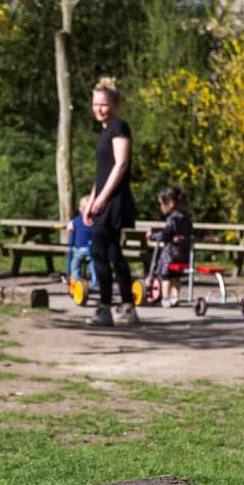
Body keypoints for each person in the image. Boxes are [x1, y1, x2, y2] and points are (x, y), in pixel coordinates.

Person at [84, 77, 139, 327]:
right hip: (104, 199)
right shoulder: (105, 131)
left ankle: (105, 307)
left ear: (114, 104)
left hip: (115, 201)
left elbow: (120, 164)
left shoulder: (119, 127)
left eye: (104, 104)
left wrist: (103, 198)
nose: (99, 109)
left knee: (99, 250)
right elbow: (102, 171)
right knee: (112, 252)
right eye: (96, 104)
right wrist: (90, 201)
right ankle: (127, 305)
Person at [150, 185, 193, 307]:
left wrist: (152, 235)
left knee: (166, 275)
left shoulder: (171, 219)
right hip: (183, 253)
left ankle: (165, 297)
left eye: (162, 204)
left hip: (171, 253)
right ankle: (175, 297)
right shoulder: (185, 217)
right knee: (176, 275)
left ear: (170, 203)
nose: (161, 207)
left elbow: (165, 235)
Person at [67, 194, 95, 285]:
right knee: (94, 267)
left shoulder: (77, 220)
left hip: (80, 250)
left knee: (74, 266)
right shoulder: (96, 221)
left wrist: (70, 226)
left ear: (80, 209)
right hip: (93, 250)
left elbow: (70, 226)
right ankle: (96, 283)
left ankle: (77, 281)